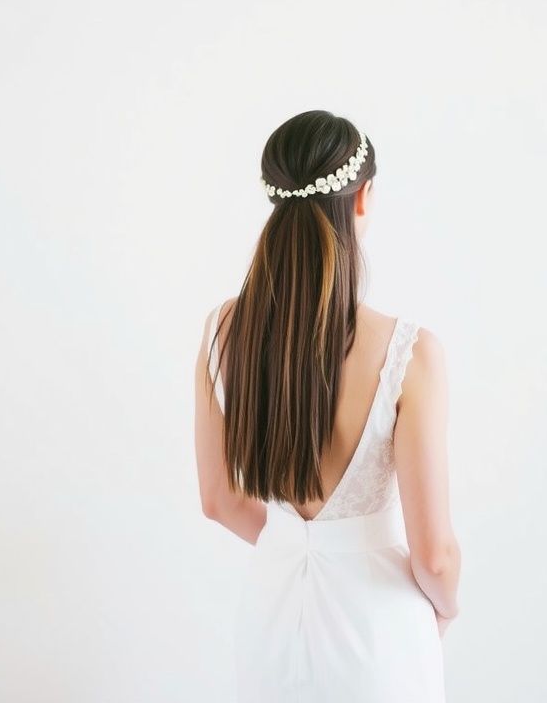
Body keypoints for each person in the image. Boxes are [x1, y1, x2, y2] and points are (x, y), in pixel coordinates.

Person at [194, 109, 461, 703]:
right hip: (378, 632)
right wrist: (445, 610)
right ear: (363, 199)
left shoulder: (221, 332)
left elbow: (217, 500)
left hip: (271, 619)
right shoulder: (409, 353)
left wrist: (296, 542)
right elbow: (435, 556)